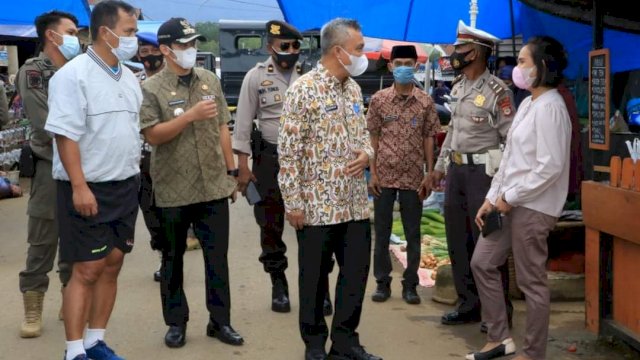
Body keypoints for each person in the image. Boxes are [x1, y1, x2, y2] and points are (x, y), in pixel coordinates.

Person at [279, 18, 382, 360]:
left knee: (354, 276)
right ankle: (313, 343)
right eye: (358, 49)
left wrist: (367, 154)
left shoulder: (353, 88)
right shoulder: (303, 89)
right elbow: (288, 152)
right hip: (315, 207)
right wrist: (293, 203)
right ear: (338, 51)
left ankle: (345, 341)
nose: (363, 55)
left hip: (353, 203)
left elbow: (364, 137)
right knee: (313, 280)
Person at [44, 1, 141, 359]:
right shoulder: (73, 76)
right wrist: (80, 186)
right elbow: (65, 136)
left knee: (112, 263)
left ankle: (95, 340)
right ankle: (73, 351)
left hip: (125, 186)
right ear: (106, 32)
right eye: (129, 32)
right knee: (85, 269)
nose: (133, 38)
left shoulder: (130, 76)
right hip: (87, 187)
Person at [139, 17, 243, 349]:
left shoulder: (209, 79)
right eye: (183, 45)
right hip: (172, 188)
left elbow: (223, 127)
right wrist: (188, 116)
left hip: (212, 185)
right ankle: (176, 322)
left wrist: (232, 172)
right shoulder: (151, 88)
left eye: (193, 43)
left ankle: (220, 321)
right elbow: (153, 135)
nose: (191, 50)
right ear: (166, 50)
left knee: (218, 258)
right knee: (173, 258)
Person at [468, 35, 571, 360]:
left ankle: (533, 352)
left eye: (523, 62)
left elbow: (549, 167)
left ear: (542, 67)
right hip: (507, 203)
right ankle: (499, 337)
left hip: (533, 208)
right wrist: (492, 196)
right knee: (482, 263)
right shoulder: (528, 103)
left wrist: (509, 196)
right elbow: (510, 158)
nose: (517, 68)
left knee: (531, 282)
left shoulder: (552, 107)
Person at [233, 20, 333, 315]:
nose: (290, 52)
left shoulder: (314, 76)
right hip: (270, 159)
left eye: (295, 46)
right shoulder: (255, 77)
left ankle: (320, 288)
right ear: (270, 48)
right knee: (270, 222)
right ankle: (279, 284)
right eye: (284, 46)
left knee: (316, 223)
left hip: (309, 160)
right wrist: (242, 164)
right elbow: (242, 123)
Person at [430, 20, 515, 331]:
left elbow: (510, 140)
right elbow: (452, 132)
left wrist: (503, 184)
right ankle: (469, 304)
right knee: (458, 240)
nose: (455, 54)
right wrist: (439, 167)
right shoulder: (459, 86)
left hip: (484, 173)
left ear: (477, 53)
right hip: (457, 171)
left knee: (487, 241)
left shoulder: (497, 91)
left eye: (462, 49)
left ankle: (498, 310)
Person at [15, 10, 80, 339]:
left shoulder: (82, 70)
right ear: (52, 36)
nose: (77, 36)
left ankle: (70, 300)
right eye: (70, 31)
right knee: (43, 239)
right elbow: (45, 120)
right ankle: (33, 306)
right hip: (48, 166)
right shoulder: (33, 72)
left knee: (75, 237)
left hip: (82, 167)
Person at [367, 45, 440, 305]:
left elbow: (429, 138)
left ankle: (410, 285)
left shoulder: (425, 101)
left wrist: (429, 173)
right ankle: (382, 283)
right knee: (383, 231)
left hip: (412, 176)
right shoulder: (379, 100)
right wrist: (372, 173)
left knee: (412, 233)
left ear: (417, 66)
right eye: (398, 63)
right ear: (390, 66)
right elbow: (372, 138)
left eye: (408, 63)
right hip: (384, 175)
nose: (403, 68)